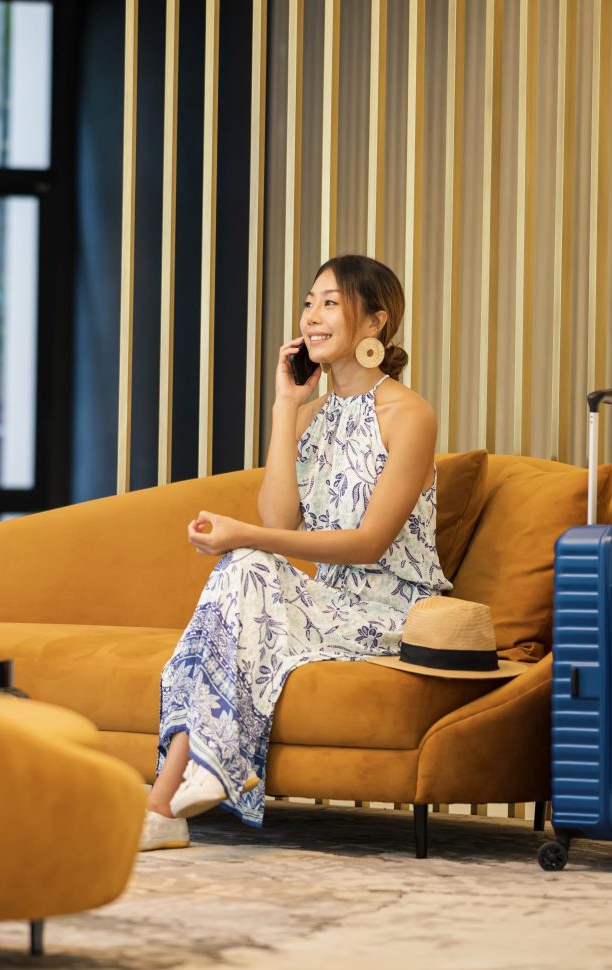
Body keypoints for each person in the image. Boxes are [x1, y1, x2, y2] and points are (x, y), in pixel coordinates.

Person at [139, 254, 451, 852]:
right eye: (310, 301)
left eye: (330, 303)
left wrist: (244, 536)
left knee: (247, 561)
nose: (311, 315)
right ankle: (180, 790)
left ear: (375, 322)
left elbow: (368, 544)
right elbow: (279, 519)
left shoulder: (409, 415)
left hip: (395, 614)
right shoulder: (318, 417)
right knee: (245, 570)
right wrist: (286, 407)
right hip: (331, 602)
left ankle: (178, 791)